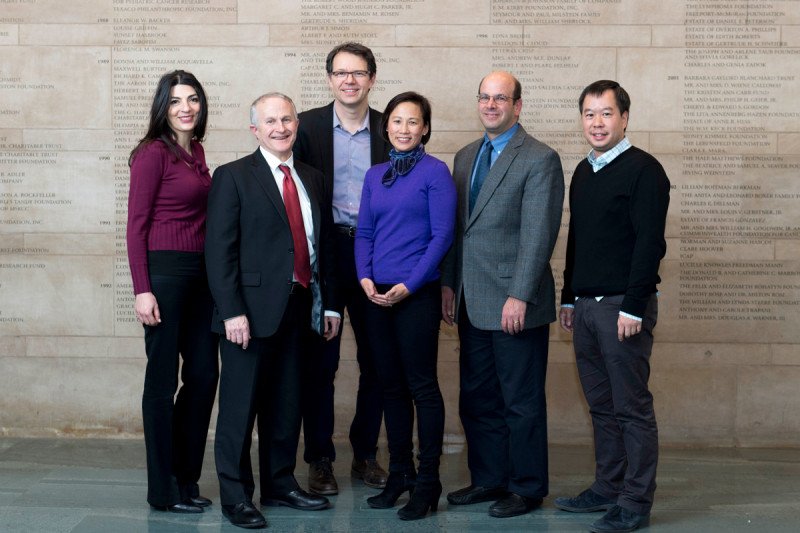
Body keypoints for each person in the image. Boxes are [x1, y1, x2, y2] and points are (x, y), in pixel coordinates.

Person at [205, 93, 340, 529]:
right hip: (247, 314)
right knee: (240, 410)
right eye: (270, 121)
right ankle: (236, 496)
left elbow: (323, 249)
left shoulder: (313, 178)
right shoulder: (233, 176)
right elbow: (219, 251)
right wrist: (231, 312)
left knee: (287, 405)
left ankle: (280, 484)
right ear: (255, 130)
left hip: (300, 308)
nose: (280, 128)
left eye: (286, 119)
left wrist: (329, 305)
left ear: (297, 125)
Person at [441, 71, 564, 518]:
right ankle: (489, 479)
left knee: (521, 400)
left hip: (515, 303)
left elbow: (539, 234)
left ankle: (527, 486)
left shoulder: (539, 158)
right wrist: (450, 285)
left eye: (501, 98)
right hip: (472, 299)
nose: (491, 105)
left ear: (518, 105)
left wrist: (521, 295)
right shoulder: (465, 156)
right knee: (478, 398)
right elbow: (459, 231)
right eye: (485, 98)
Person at [554, 80, 670, 533]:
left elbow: (650, 244)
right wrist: (568, 295)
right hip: (585, 306)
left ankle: (635, 501)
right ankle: (607, 486)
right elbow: (578, 238)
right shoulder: (584, 171)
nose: (597, 122)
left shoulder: (645, 170)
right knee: (601, 406)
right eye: (589, 113)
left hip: (623, 307)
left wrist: (634, 307)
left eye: (606, 113)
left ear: (624, 118)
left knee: (631, 408)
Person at [293, 41, 391, 495]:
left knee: (377, 360)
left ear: (372, 79)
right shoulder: (307, 127)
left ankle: (366, 453)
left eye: (358, 72)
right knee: (320, 363)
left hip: (377, 254)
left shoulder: (391, 128)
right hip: (324, 255)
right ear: (330, 79)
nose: (349, 80)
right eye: (340, 72)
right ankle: (320, 459)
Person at [355, 91, 455, 520]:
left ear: (425, 128)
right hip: (376, 294)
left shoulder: (436, 173)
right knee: (389, 386)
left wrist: (409, 286)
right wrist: (364, 277)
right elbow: (364, 233)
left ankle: (428, 483)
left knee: (421, 386)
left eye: (413, 122)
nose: (404, 129)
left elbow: (442, 236)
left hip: (416, 295)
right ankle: (400, 475)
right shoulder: (375, 176)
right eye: (397, 121)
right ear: (387, 126)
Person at [126, 70, 219, 513]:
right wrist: (143, 289)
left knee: (203, 376)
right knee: (161, 384)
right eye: (177, 100)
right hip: (163, 275)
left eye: (194, 99)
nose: (186, 107)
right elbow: (136, 227)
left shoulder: (196, 151)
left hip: (200, 278)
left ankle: (186, 479)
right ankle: (162, 490)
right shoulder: (151, 154)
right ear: (163, 105)